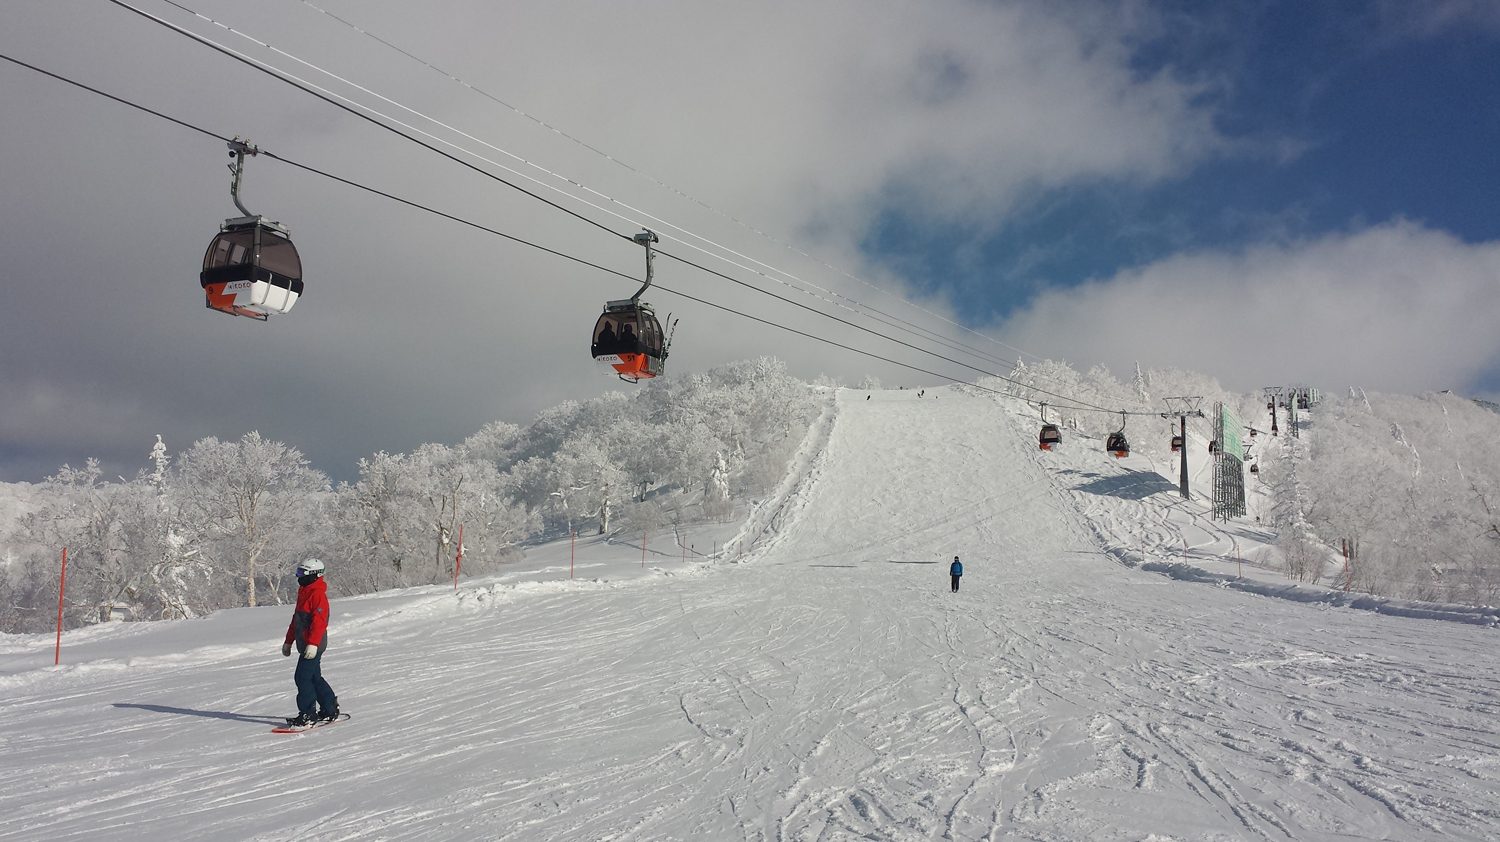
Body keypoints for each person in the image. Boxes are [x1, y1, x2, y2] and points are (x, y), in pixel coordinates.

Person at [282, 559, 338, 727]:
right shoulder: (305, 591)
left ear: (314, 575)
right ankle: (329, 709)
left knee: (302, 677)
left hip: (314, 645)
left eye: (302, 574)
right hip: (305, 644)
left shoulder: (317, 594)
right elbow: (296, 620)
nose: (299, 577)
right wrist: (288, 641)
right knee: (314, 677)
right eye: (298, 573)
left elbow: (320, 621)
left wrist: (313, 644)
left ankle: (308, 714)